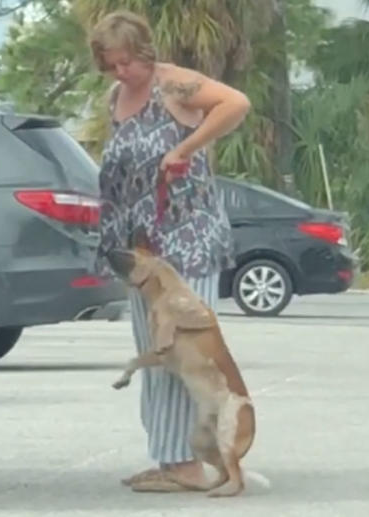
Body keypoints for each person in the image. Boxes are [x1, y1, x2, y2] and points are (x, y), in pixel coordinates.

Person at [89, 11, 251, 492]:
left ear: (144, 52)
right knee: (154, 352)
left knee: (186, 354)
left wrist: (187, 148)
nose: (121, 73)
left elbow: (236, 103)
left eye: (127, 63)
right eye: (111, 64)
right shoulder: (115, 96)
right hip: (139, 249)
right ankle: (169, 457)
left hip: (184, 241)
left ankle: (194, 460)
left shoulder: (174, 86)